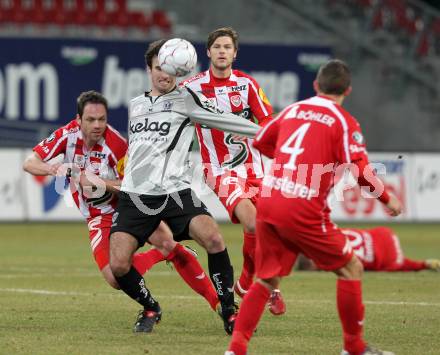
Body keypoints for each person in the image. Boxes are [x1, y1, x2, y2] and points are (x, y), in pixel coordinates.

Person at [226, 59, 403, 355]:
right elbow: (359, 168)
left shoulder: (294, 110)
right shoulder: (345, 122)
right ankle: (354, 347)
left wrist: (287, 159)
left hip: (269, 202)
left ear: (316, 85)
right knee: (351, 268)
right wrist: (387, 197)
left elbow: (260, 141)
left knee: (268, 279)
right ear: (348, 89)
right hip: (302, 207)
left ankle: (236, 349)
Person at [22, 90, 220, 330]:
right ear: (78, 120)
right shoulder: (66, 136)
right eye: (91, 120)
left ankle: (218, 304)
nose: (97, 125)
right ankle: (152, 305)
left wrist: (101, 183)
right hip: (98, 217)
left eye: (102, 119)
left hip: (129, 207)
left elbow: (134, 186)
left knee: (167, 243)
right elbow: (29, 163)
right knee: (115, 278)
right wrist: (55, 169)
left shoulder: (117, 145)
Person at [109, 39, 261, 335]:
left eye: (169, 70)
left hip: (175, 193)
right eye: (159, 69)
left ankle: (229, 311)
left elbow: (225, 120)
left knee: (214, 240)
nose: (164, 75)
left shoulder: (186, 99)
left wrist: (269, 133)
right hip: (136, 196)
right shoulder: (136, 105)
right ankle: (151, 306)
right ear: (149, 69)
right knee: (118, 266)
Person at [183, 27, 274, 300]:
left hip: (254, 169)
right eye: (217, 47)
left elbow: (268, 121)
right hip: (219, 170)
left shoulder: (247, 84)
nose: (222, 51)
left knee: (266, 230)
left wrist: (258, 137)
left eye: (227, 47)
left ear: (234, 54)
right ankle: (267, 285)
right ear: (208, 52)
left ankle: (247, 284)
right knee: (253, 222)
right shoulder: (192, 88)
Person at [296, 227, 440, 272]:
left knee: (396, 265)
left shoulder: (330, 261)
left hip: (387, 260)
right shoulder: (329, 233)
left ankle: (425, 264)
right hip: (384, 233)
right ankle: (426, 263)